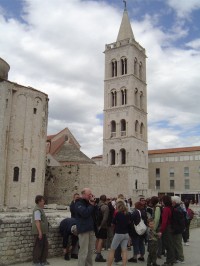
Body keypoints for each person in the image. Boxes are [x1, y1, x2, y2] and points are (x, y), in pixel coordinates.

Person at [75, 188, 96, 266]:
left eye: (91, 194)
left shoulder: (89, 203)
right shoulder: (78, 203)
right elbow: (84, 213)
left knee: (90, 251)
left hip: (90, 229)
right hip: (83, 229)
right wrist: (91, 205)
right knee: (83, 251)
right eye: (88, 195)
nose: (90, 196)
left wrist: (93, 203)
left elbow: (95, 213)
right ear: (83, 194)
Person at [107, 201, 130, 266]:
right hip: (126, 234)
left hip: (118, 233)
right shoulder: (128, 214)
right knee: (124, 251)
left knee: (112, 250)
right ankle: (124, 265)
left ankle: (108, 265)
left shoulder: (118, 214)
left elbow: (113, 223)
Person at [32, 195, 49, 266]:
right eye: (42, 201)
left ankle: (43, 260)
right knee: (38, 247)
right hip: (39, 232)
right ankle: (36, 262)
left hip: (43, 231)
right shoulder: (37, 210)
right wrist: (39, 232)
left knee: (45, 246)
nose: (44, 202)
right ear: (39, 202)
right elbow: (37, 221)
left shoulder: (40, 209)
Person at [159, 195, 175, 266]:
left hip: (167, 228)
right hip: (171, 227)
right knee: (170, 245)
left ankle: (169, 261)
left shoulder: (166, 209)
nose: (161, 202)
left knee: (168, 245)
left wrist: (161, 231)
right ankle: (171, 260)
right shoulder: (171, 208)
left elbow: (164, 221)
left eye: (162, 200)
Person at [95, 194, 109, 262]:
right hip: (102, 226)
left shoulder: (96, 205)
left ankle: (97, 252)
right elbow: (105, 218)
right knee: (101, 240)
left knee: (97, 239)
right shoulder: (105, 207)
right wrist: (101, 226)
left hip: (96, 225)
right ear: (105, 199)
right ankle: (98, 254)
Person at [171, 196, 185, 264]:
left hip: (177, 230)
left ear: (174, 202)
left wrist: (174, 229)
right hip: (179, 229)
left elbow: (176, 221)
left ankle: (181, 258)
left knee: (178, 244)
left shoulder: (176, 210)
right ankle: (179, 257)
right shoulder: (179, 208)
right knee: (177, 244)